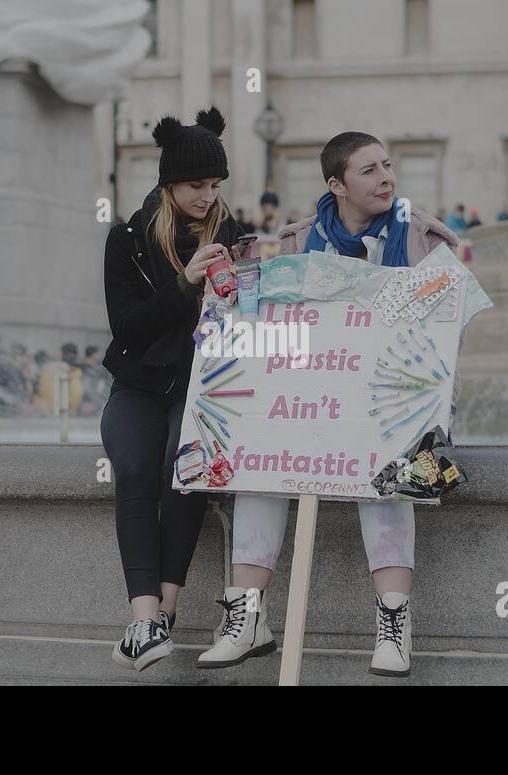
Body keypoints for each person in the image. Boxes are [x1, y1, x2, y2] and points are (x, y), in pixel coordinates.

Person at [197, 132, 462, 677]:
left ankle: (394, 622)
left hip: (390, 408)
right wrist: (225, 291)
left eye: (388, 165)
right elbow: (258, 321)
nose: (386, 177)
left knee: (386, 465)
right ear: (336, 185)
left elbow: (444, 339)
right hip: (308, 402)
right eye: (369, 171)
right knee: (258, 464)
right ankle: (247, 616)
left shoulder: (424, 242)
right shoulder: (296, 246)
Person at [100, 107, 245, 671]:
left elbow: (241, 327)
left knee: (182, 465)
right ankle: (145, 621)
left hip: (202, 385)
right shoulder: (127, 242)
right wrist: (186, 284)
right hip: (136, 384)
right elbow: (128, 329)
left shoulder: (231, 236)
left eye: (215, 185)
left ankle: (163, 614)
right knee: (134, 466)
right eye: (195, 185)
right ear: (167, 182)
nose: (208, 196)